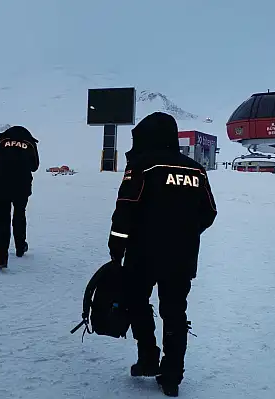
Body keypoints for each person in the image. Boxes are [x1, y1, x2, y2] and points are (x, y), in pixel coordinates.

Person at [107, 112, 217, 397]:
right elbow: (209, 212)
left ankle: (148, 357)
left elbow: (125, 209)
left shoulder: (142, 165)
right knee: (175, 312)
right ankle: (172, 376)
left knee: (136, 302)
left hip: (143, 253)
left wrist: (116, 248)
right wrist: (186, 233)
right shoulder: (196, 170)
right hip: (182, 256)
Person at [0, 125, 39, 269]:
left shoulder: (1, 141)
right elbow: (35, 166)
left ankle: (2, 258)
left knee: (1, 222)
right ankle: (20, 247)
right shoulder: (29, 143)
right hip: (21, 187)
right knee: (19, 216)